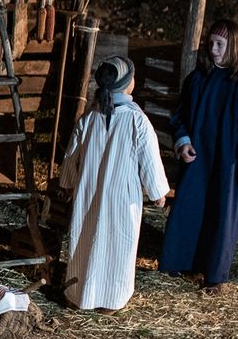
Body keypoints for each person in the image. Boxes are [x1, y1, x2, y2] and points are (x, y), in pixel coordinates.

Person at [159, 19, 238, 294]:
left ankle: (215, 276)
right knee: (189, 208)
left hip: (230, 162)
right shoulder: (198, 79)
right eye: (211, 44)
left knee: (223, 214)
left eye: (220, 44)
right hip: (199, 159)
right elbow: (179, 116)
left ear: (235, 47)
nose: (214, 49)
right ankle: (178, 262)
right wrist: (183, 143)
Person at [60, 55, 170, 311]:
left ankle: (80, 295)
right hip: (122, 199)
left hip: (89, 195)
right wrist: (158, 192)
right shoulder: (137, 121)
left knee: (85, 240)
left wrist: (67, 182)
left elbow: (71, 155)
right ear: (128, 84)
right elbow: (149, 158)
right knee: (117, 245)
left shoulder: (88, 119)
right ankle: (110, 300)